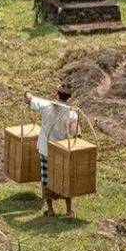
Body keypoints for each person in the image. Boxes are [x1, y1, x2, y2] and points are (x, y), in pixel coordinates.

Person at [23, 87, 80, 216]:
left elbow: (29, 99)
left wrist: (27, 92)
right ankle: (68, 210)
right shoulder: (72, 114)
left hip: (46, 149)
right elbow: (74, 132)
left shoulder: (45, 106)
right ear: (69, 98)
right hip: (62, 152)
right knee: (65, 178)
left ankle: (50, 209)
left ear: (57, 94)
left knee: (46, 178)